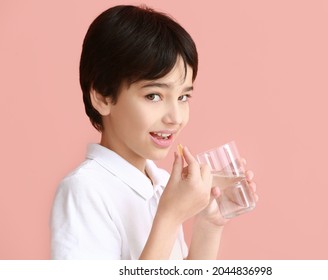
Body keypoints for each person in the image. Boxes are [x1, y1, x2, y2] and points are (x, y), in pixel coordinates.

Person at [50, 4, 257, 260]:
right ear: (102, 96)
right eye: (154, 95)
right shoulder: (84, 191)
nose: (176, 118)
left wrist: (209, 224)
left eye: (183, 97)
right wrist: (169, 217)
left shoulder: (161, 185)